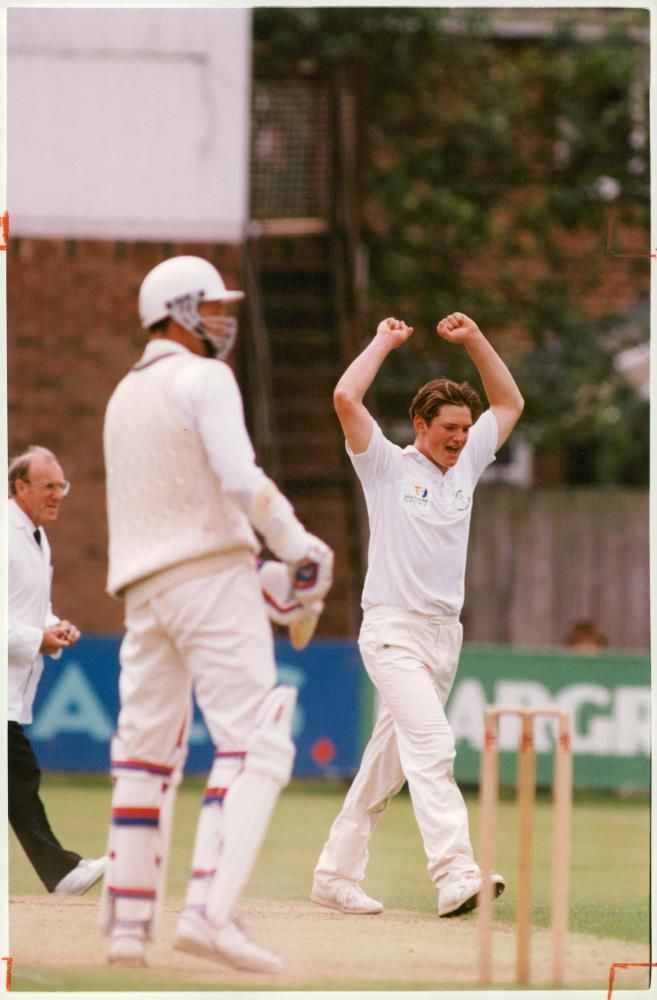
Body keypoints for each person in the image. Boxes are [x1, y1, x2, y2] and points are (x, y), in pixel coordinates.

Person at [101, 255, 333, 972]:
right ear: (179, 309)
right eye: (214, 306)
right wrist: (296, 545)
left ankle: (126, 930)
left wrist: (267, 576)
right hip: (209, 578)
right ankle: (209, 913)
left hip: (144, 592)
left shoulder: (122, 395)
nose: (224, 319)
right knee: (256, 740)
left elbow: (179, 506)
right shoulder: (204, 378)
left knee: (143, 755)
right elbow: (238, 480)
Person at [311, 312, 524, 919]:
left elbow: (508, 404)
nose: (460, 437)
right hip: (391, 629)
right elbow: (345, 396)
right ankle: (456, 873)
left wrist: (478, 340)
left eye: (465, 427)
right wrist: (382, 340)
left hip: (443, 636)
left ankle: (334, 874)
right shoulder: (385, 466)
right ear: (420, 426)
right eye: (449, 428)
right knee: (432, 745)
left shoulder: (470, 463)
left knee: (387, 769)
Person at [8, 445, 107, 895]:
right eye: (49, 486)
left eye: (61, 486)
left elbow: (32, 608)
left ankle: (61, 872)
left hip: (13, 689)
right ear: (21, 488)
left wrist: (54, 626)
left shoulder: (37, 538)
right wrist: (37, 639)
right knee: (20, 777)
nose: (59, 495)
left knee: (17, 779)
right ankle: (63, 873)